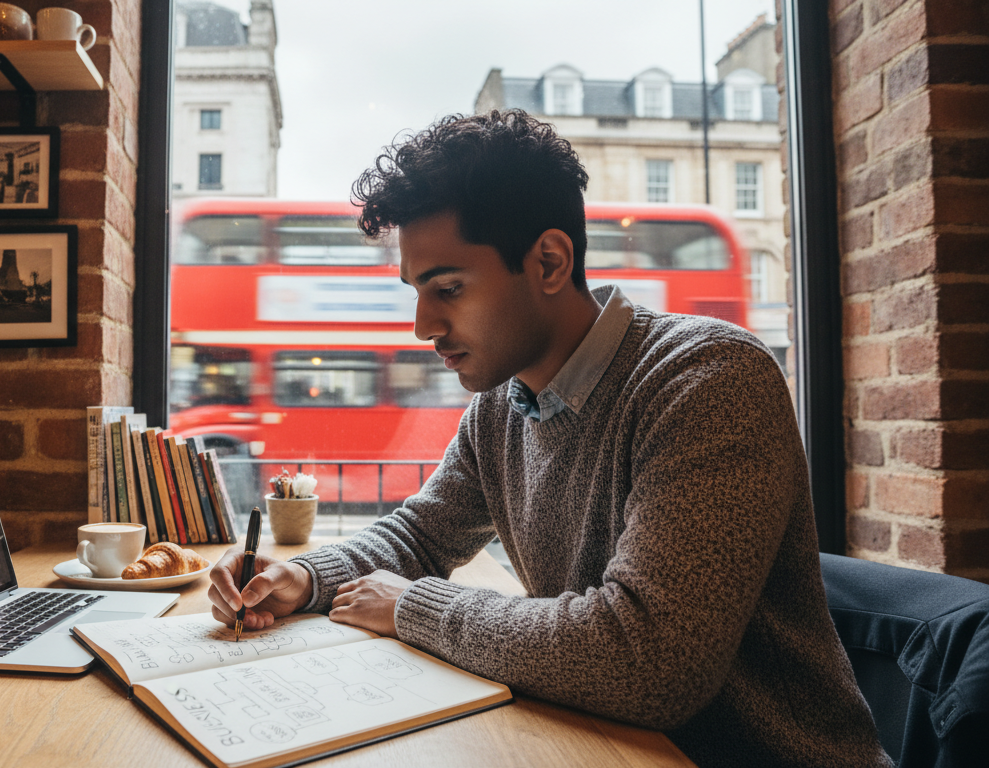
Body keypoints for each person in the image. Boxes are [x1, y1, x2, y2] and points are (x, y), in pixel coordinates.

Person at [207, 110, 890, 767]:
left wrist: (413, 607)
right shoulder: (504, 404)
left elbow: (649, 660)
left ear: (550, 262)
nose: (421, 326)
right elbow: (419, 537)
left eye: (447, 288)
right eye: (416, 290)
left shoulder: (709, 380)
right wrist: (302, 576)